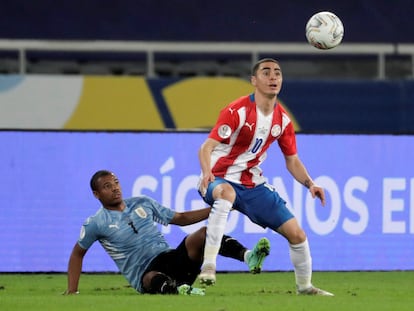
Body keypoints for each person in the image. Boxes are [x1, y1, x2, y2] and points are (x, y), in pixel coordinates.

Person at [197, 58, 333, 296]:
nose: (273, 77)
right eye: (266, 72)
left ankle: (305, 287)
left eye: (278, 73)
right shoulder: (236, 111)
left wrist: (311, 183)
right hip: (218, 178)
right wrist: (207, 172)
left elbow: (292, 160)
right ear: (253, 81)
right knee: (226, 193)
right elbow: (206, 147)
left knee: (297, 234)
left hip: (252, 185)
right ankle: (209, 266)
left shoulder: (283, 120)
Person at [64, 170, 270, 295]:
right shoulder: (96, 223)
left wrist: (218, 207)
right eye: (107, 186)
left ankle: (248, 256)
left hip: (170, 258)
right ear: (96, 194)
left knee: (204, 233)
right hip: (145, 273)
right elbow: (77, 254)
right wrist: (73, 290)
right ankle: (180, 291)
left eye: (116, 182)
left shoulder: (141, 203)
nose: (115, 188)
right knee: (150, 277)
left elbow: (180, 218)